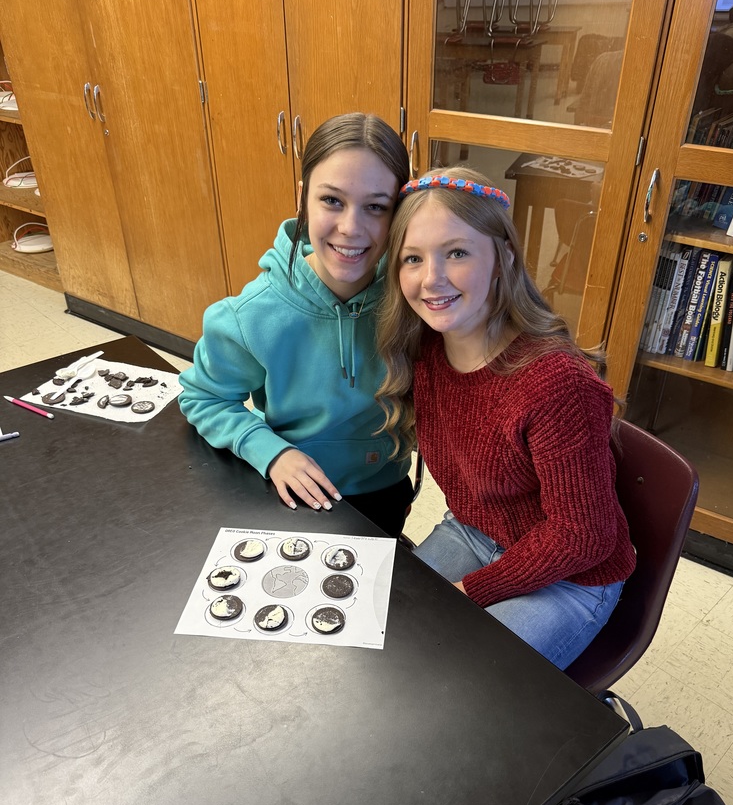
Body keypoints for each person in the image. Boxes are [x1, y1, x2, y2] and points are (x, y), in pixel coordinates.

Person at [375, 168, 636, 668]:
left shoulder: (556, 381)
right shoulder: (426, 348)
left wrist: (474, 590)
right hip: (474, 531)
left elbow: (585, 534)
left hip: (573, 576)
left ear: (503, 258)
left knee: (467, 681)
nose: (432, 279)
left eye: (457, 253)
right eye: (413, 258)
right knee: (386, 630)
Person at [178, 113, 413, 537]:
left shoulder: (412, 298)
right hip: (293, 496)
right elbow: (204, 397)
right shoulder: (252, 314)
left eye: (376, 207)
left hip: (388, 490)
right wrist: (268, 451)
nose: (351, 228)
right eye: (332, 201)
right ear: (303, 196)